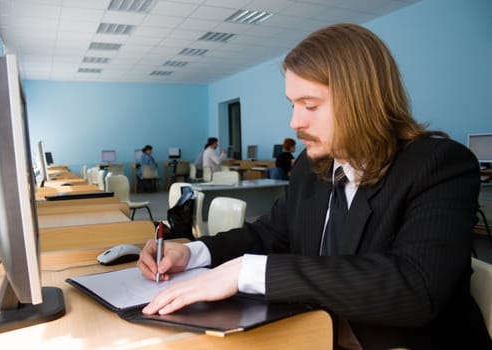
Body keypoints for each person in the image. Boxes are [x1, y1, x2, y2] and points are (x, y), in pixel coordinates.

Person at [137, 23, 491, 349]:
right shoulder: (311, 165)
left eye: (310, 105)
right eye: (293, 104)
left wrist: (247, 271)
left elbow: (414, 286)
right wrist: (193, 253)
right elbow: (270, 234)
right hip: (313, 334)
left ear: (362, 100)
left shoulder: (438, 165)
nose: (294, 122)